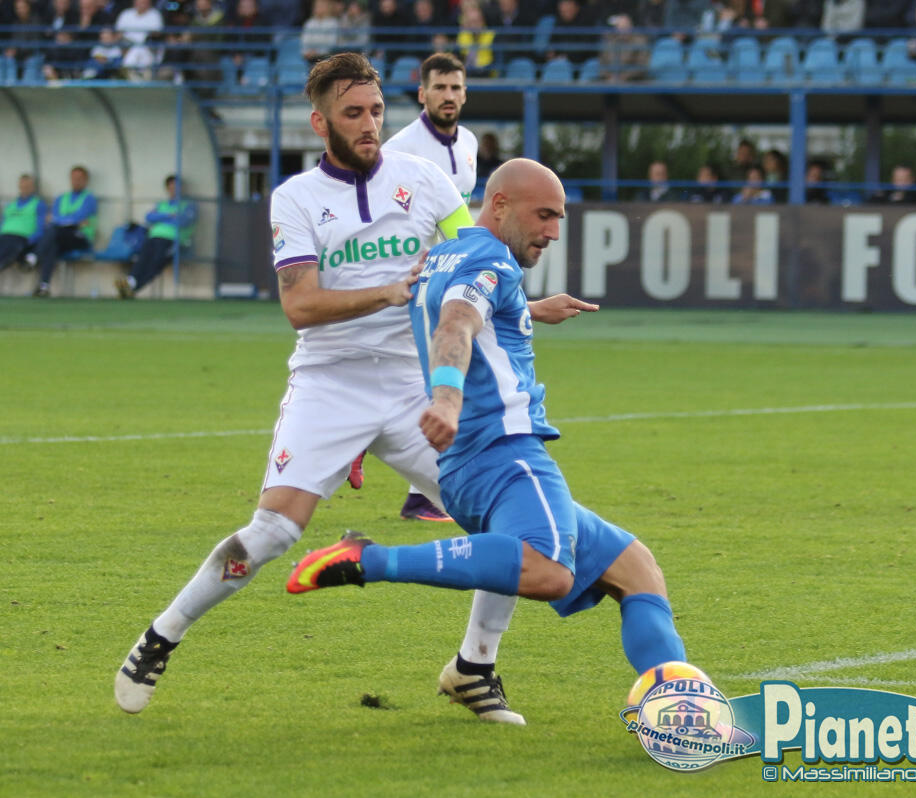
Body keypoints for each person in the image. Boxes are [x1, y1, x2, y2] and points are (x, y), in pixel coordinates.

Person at [113, 53, 592, 722]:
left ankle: (474, 667)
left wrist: (528, 307)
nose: (369, 125)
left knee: (503, 522)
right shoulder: (295, 198)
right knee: (273, 530)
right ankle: (162, 636)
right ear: (321, 123)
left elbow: (473, 264)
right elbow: (300, 306)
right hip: (329, 382)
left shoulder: (423, 181)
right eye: (353, 114)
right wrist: (389, 292)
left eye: (375, 111)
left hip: (412, 383)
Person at [286, 158, 692, 716]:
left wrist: (527, 310)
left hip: (472, 462)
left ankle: (679, 708)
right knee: (549, 571)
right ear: (500, 205)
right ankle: (369, 560)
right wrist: (447, 400)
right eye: (544, 215)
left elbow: (461, 311)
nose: (554, 231)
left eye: (559, 217)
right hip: (504, 453)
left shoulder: (444, 255)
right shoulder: (491, 260)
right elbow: (457, 322)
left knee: (635, 568)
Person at [378, 52, 477, 522]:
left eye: (455, 87)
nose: (448, 95)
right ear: (422, 93)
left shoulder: (469, 142)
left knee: (443, 380)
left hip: (451, 279)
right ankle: (422, 493)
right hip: (410, 286)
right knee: (428, 383)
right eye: (439, 87)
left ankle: (420, 490)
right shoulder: (400, 149)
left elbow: (459, 217)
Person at [115, 175, 197, 298]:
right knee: (142, 259)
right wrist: (169, 215)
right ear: (167, 189)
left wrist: (161, 217)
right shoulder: (162, 204)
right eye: (171, 187)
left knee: (156, 262)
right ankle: (130, 282)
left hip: (173, 241)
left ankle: (133, 287)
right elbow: (149, 217)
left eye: (177, 186)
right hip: (153, 237)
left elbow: (184, 221)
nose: (174, 189)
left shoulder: (188, 205)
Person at [32, 165, 98, 298]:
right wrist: (68, 220)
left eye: (79, 179)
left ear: (86, 181)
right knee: (53, 245)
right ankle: (44, 285)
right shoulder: (61, 198)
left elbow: (75, 218)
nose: (76, 181)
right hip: (61, 237)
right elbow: (54, 218)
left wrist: (61, 220)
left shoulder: (89, 199)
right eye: (74, 178)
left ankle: (34, 256)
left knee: (54, 231)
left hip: (80, 237)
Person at [0, 174, 47, 272]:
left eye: (27, 186)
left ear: (33, 188)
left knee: (8, 250)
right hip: (4, 237)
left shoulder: (38, 204)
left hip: (21, 238)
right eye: (22, 186)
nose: (24, 189)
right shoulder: (10, 205)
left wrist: (28, 241)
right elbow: (2, 224)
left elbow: (40, 229)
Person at [114, 0, 164, 81]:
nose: (142, 4)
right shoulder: (126, 14)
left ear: (149, 3)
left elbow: (157, 34)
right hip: (127, 45)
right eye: (139, 1)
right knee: (134, 48)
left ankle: (127, 68)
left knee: (138, 49)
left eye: (144, 2)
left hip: (148, 47)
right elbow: (119, 33)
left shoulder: (155, 14)